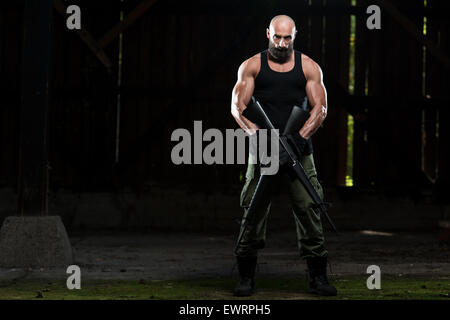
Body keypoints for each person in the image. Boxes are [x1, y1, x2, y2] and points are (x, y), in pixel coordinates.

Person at [230, 15, 337, 296]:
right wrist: (256, 134)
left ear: (295, 35)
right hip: (264, 151)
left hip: (298, 152)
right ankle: (245, 278)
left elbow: (320, 109)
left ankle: (318, 278)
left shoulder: (309, 67)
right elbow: (237, 107)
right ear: (268, 33)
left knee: (310, 209)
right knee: (252, 211)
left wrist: (299, 139)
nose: (281, 43)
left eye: (287, 38)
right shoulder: (252, 66)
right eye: (276, 37)